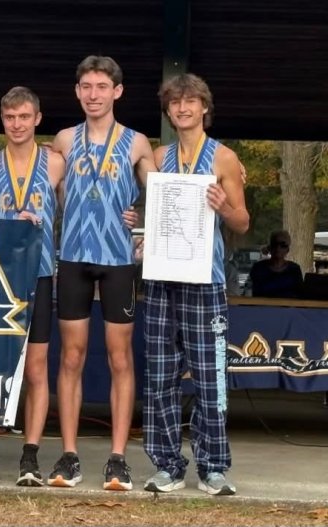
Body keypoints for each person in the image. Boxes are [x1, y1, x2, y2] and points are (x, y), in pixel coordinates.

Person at [50, 55, 155, 491]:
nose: (93, 95)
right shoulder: (63, 139)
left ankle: (117, 459)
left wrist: (146, 224)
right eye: (86, 87)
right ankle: (70, 455)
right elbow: (43, 187)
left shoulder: (135, 142)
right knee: (71, 356)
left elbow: (162, 190)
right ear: (77, 91)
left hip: (117, 260)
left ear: (118, 91)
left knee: (119, 358)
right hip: (73, 255)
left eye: (101, 87)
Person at [143, 73, 249, 496]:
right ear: (168, 110)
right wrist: (141, 231)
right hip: (162, 278)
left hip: (205, 280)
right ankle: (168, 464)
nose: (182, 108)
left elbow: (242, 222)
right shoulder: (159, 156)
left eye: (190, 102)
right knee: (161, 376)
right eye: (175, 103)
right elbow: (153, 216)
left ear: (204, 107)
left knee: (210, 377)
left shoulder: (223, 158)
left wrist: (224, 207)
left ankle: (213, 467)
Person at [0, 86, 64, 486]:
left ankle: (30, 456)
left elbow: (79, 205)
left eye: (24, 117)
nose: (17, 124)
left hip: (41, 274)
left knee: (36, 368)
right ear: (3, 120)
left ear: (37, 119)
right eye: (10, 118)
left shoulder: (56, 163)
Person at [249, 230, 303, 298]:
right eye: (275, 244)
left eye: (283, 245)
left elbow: (300, 296)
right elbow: (250, 293)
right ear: (270, 247)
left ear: (287, 250)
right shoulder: (258, 268)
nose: (278, 248)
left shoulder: (294, 270)